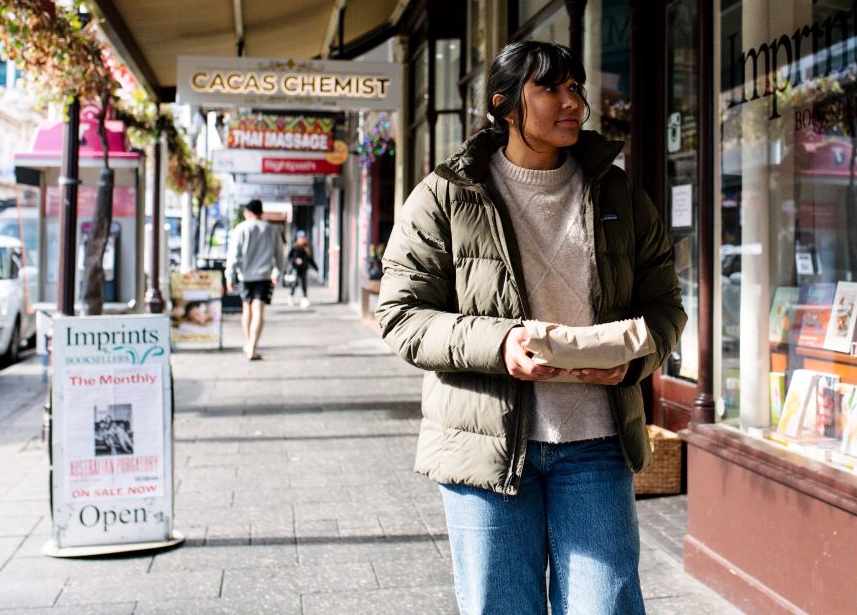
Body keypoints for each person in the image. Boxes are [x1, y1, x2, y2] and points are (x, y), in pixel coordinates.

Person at [377, 41, 687, 615]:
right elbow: (400, 316)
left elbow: (666, 303)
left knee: (607, 605)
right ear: (505, 105)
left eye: (577, 88)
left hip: (596, 443)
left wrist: (637, 360)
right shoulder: (447, 196)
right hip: (485, 445)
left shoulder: (617, 193)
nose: (572, 103)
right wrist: (501, 345)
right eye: (551, 89)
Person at [225, 199, 284, 360]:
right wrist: (277, 274)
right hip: (264, 277)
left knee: (247, 310)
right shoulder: (271, 230)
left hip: (245, 277)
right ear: (261, 212)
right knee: (259, 311)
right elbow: (280, 255)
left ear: (247, 213)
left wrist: (230, 276)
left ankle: (247, 342)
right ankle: (253, 346)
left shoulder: (241, 228)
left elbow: (233, 255)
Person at [287, 231, 318, 308]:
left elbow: (310, 259)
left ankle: (304, 299)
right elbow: (290, 258)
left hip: (303, 269)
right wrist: (295, 261)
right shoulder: (295, 248)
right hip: (295, 269)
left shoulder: (306, 249)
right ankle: (290, 297)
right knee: (294, 284)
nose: (303, 239)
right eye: (302, 238)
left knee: (304, 284)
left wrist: (316, 268)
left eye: (304, 237)